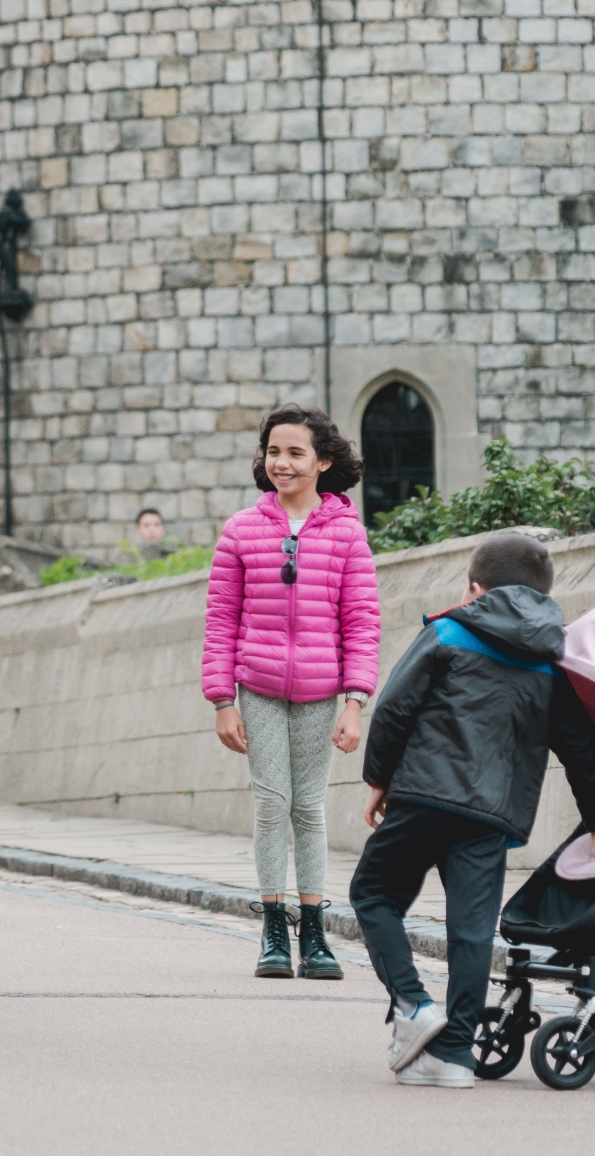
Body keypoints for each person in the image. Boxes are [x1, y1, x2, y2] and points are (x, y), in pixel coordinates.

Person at [352, 533, 595, 1088]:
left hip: (425, 796)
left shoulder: (448, 630)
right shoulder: (552, 661)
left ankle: (413, 1004)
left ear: (475, 588)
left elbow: (394, 709)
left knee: (374, 893)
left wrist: (379, 779)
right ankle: (454, 1055)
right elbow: (582, 750)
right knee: (471, 932)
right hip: (491, 814)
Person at [202, 404, 380, 981]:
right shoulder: (241, 530)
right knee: (271, 804)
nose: (281, 462)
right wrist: (222, 700)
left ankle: (316, 932)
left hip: (319, 691)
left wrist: (355, 701)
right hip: (256, 688)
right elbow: (221, 619)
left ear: (323, 462)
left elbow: (361, 621)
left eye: (295, 452)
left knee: (308, 807)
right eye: (273, 451)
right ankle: (273, 927)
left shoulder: (348, 534)